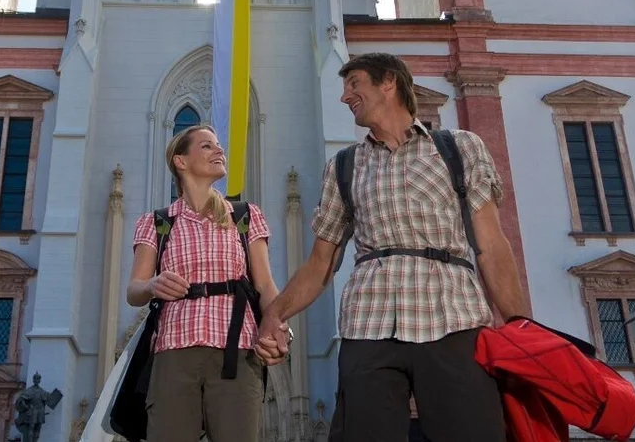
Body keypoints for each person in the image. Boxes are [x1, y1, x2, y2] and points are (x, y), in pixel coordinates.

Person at [254, 52, 532, 442]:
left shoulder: (459, 148)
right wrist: (275, 314)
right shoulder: (344, 166)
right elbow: (320, 264)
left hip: (454, 318)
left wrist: (521, 326)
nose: (344, 96)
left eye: (354, 84)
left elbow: (491, 245)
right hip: (370, 323)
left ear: (389, 83)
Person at [126, 124, 283, 442]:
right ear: (180, 161)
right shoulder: (157, 222)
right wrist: (153, 284)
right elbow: (135, 290)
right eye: (207, 146)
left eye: (218, 145)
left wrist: (279, 328)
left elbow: (265, 284)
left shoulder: (245, 215)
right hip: (173, 352)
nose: (219, 150)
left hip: (237, 352)